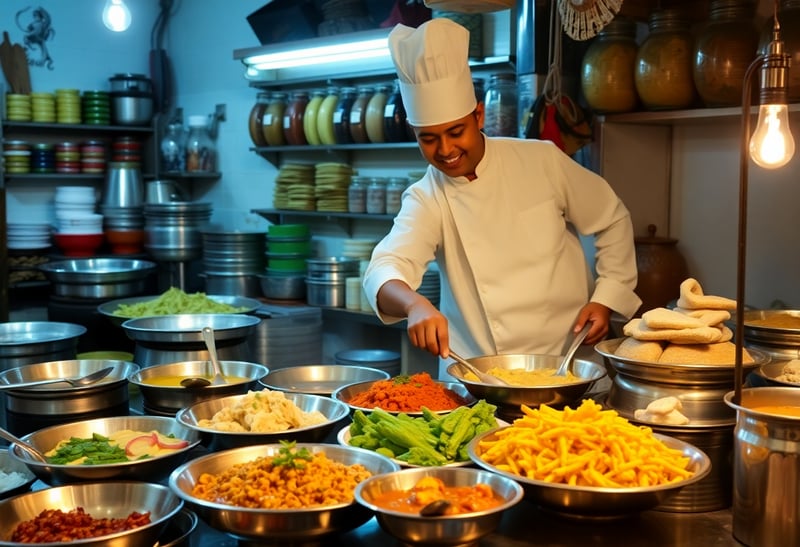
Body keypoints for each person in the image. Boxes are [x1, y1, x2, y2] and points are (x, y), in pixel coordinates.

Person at [362, 18, 641, 379]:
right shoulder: (427, 196)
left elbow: (611, 218)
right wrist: (414, 305)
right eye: (427, 138)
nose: (445, 150)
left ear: (478, 115)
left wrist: (607, 298)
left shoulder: (541, 160)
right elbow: (384, 268)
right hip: (478, 379)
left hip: (564, 363)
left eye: (455, 131)